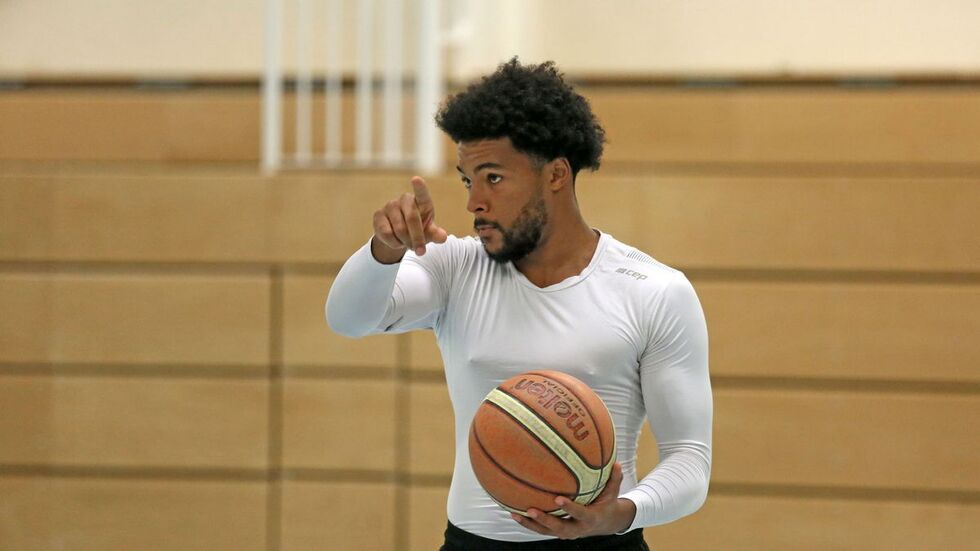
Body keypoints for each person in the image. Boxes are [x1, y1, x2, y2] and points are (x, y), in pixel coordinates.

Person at [327, 58, 712, 550]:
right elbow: (348, 320)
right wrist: (384, 249)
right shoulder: (453, 267)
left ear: (555, 174)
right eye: (467, 181)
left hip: (605, 542)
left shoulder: (654, 290)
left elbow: (689, 461)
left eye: (492, 178)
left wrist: (620, 513)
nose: (473, 204)